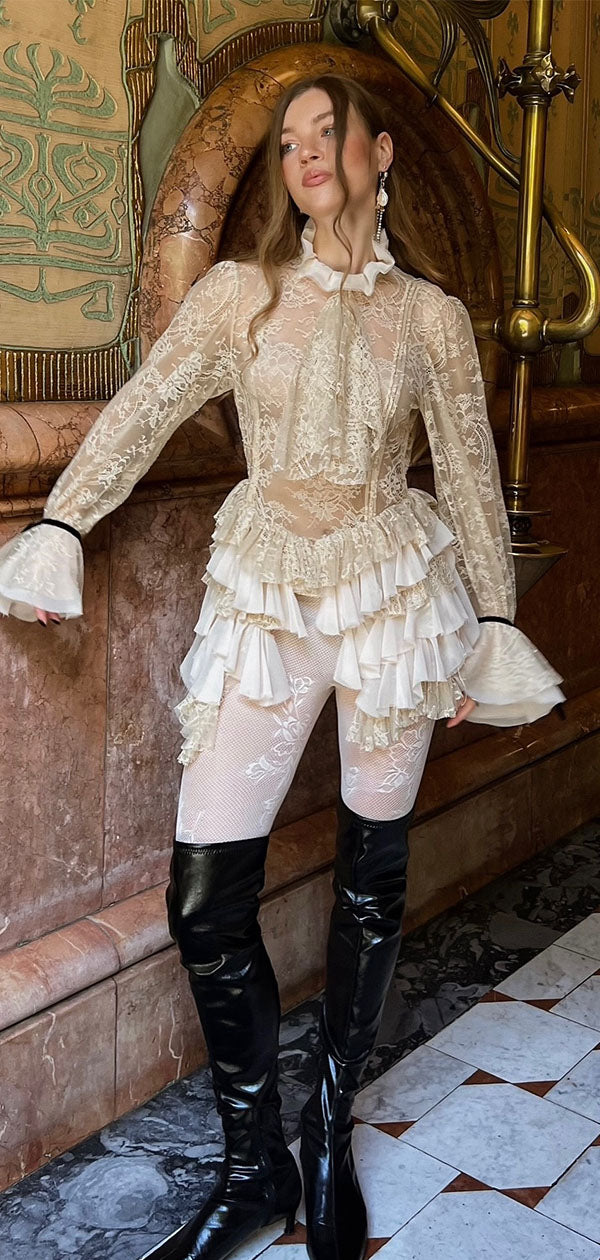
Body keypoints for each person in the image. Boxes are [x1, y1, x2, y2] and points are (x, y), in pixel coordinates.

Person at [0, 74, 565, 1260]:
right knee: (205, 900)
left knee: (370, 882)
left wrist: (491, 624)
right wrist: (60, 524)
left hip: (395, 598)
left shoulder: (431, 316)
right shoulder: (237, 295)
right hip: (267, 595)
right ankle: (253, 1163)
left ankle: (324, 1131)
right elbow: (145, 407)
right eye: (291, 138)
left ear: (380, 152)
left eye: (328, 131)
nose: (306, 150)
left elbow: (469, 471)